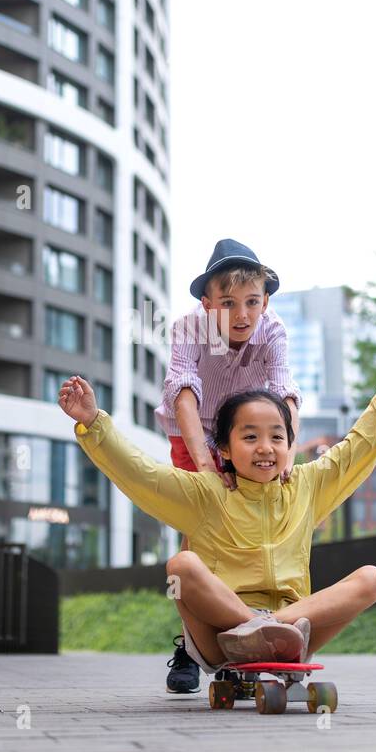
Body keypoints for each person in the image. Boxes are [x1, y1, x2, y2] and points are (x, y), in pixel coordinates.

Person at [59, 336, 376, 676]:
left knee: (373, 579)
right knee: (182, 565)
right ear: (224, 448)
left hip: (293, 629)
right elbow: (141, 474)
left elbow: (360, 446)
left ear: (289, 445)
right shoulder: (205, 493)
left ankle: (272, 630)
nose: (265, 447)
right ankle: (254, 629)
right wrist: (93, 423)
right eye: (250, 437)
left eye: (276, 436)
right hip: (221, 636)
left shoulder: (308, 486)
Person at [154, 239, 303, 693]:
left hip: (245, 435)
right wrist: (203, 463)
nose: (241, 315)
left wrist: (287, 456)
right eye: (228, 304)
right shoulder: (187, 329)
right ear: (207, 302)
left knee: (246, 530)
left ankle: (251, 627)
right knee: (198, 536)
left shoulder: (272, 330)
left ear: (265, 301)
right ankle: (189, 643)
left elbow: (285, 395)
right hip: (193, 431)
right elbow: (183, 392)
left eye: (252, 302)